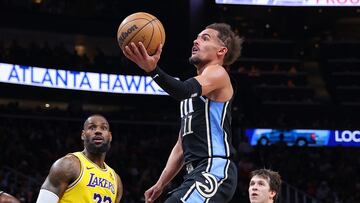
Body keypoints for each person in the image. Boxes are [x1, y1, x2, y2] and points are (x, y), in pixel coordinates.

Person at [123, 23, 243, 203]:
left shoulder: (218, 73)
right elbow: (181, 146)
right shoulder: (194, 90)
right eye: (197, 37)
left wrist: (152, 70)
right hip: (195, 171)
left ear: (221, 51)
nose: (196, 41)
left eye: (205, 38)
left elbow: (182, 90)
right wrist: (160, 184)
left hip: (215, 168)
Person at [35, 114, 123, 203]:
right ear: (83, 135)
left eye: (103, 128)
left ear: (110, 136)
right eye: (92, 128)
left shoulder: (116, 180)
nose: (98, 131)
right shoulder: (67, 165)